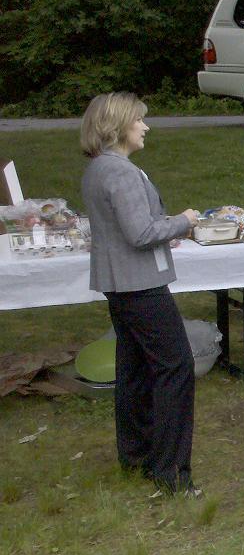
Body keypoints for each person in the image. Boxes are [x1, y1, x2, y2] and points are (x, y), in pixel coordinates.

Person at [80, 93, 202, 496]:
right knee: (175, 367)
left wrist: (166, 228)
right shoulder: (120, 171)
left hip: (120, 284)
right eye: (139, 121)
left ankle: (136, 454)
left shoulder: (99, 168)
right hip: (139, 285)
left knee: (134, 368)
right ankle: (172, 471)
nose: (145, 127)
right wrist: (182, 221)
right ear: (118, 126)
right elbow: (140, 232)